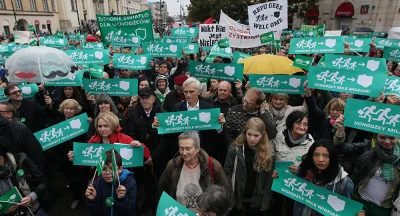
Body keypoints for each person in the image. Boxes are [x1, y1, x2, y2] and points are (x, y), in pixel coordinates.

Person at [273, 140, 355, 216]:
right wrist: (278, 177)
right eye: (316, 155)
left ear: (332, 158)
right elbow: (292, 188)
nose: (320, 160)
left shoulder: (344, 183)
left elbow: (344, 211)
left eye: (326, 156)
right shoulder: (304, 170)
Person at [159, 131, 230, 213]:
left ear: (197, 149)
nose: (184, 153)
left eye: (188, 148)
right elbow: (161, 192)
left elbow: (225, 195)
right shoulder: (172, 166)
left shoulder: (213, 166)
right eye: (181, 148)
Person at [224, 117, 275, 215]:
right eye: (249, 134)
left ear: (262, 135)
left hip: (256, 199)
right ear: (245, 133)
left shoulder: (269, 154)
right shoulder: (235, 150)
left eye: (256, 135)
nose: (252, 139)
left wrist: (265, 203)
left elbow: (269, 180)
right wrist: (230, 197)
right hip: (237, 198)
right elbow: (227, 173)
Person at [270, 111, 314, 215]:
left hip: (296, 185)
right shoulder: (279, 136)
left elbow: (313, 165)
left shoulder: (310, 142)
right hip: (277, 181)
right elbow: (269, 158)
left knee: (291, 210)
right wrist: (271, 171)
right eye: (299, 123)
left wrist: (301, 169)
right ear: (291, 123)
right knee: (276, 207)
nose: (302, 127)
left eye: (305, 125)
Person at [68, 112, 151, 164]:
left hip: (122, 180)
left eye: (106, 126)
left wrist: (140, 146)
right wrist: (76, 157)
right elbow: (86, 164)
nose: (102, 129)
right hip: (99, 181)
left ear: (113, 125)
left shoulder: (125, 139)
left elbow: (145, 157)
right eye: (99, 126)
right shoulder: (93, 140)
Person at [351, 134, 400, 216]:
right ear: (376, 137)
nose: (387, 141)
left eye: (392, 138)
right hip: (359, 201)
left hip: (382, 209)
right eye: (382, 137)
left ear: (398, 138)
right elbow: (342, 147)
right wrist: (340, 132)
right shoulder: (367, 147)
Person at [0, 143, 49, 215]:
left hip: (35, 211)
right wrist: (3, 210)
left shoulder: (21, 159)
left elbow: (43, 181)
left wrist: (31, 197)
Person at [85, 150, 137, 216]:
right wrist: (92, 200)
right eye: (104, 169)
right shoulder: (97, 184)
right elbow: (95, 213)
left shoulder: (130, 183)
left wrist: (122, 199)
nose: (107, 172)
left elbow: (131, 211)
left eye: (112, 169)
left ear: (120, 169)